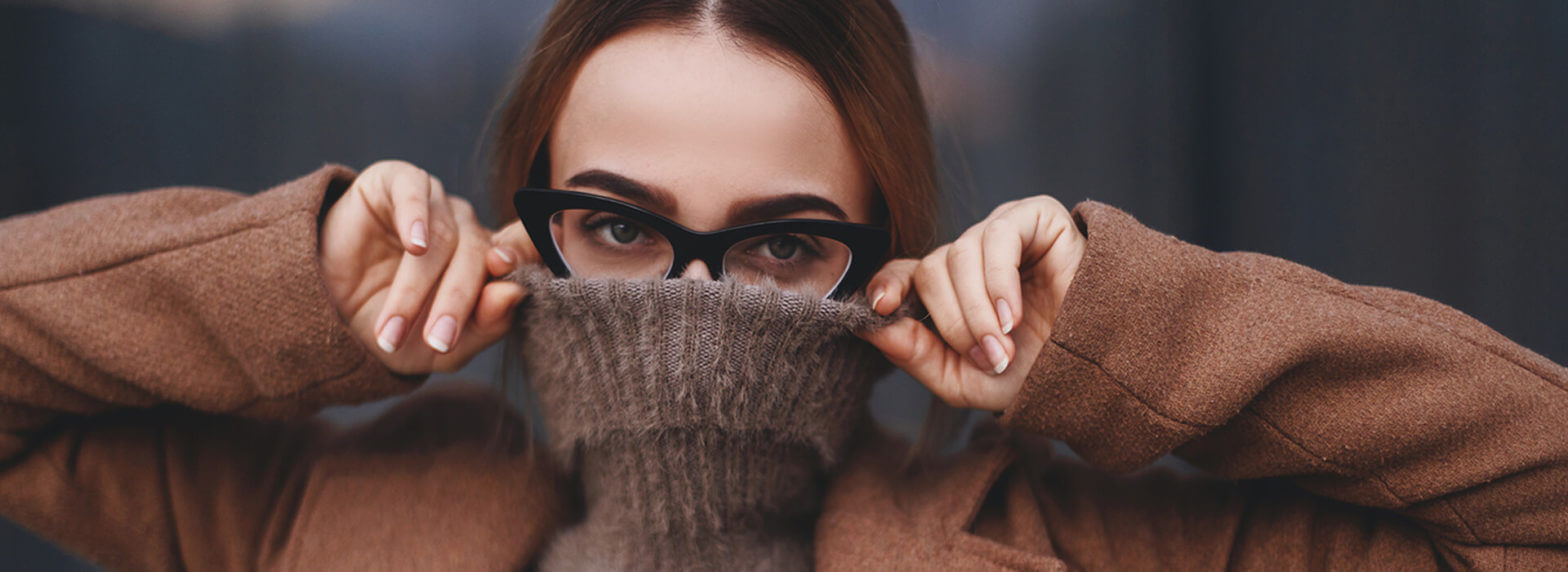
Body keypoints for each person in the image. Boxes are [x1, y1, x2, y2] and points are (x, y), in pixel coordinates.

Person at [2, 0, 1564, 569]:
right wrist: (283, 285)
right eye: (614, 226)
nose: (697, 303)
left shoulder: (1083, 540)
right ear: (516, 230)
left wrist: (1123, 331)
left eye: (780, 246)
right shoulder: (304, 521)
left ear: (889, 258)